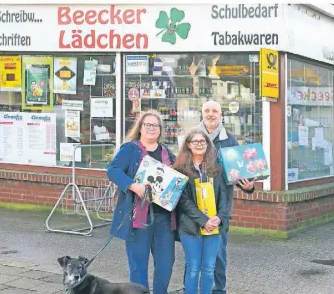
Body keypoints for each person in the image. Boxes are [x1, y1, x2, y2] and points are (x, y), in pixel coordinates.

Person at [107, 109, 176, 294]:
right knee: (138, 268)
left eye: (155, 125)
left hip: (164, 220)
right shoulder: (130, 149)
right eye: (148, 125)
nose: (151, 128)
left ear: (160, 130)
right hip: (138, 220)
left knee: (165, 266)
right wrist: (133, 186)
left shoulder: (167, 153)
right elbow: (112, 171)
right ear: (140, 128)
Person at [199, 100, 255, 294]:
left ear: (221, 114)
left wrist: (249, 187)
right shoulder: (192, 137)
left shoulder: (229, 139)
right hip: (196, 206)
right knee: (194, 253)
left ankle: (218, 289)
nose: (210, 114)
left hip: (220, 206)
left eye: (214, 111)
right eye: (207, 110)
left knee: (218, 253)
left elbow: (238, 172)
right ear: (202, 113)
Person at [173, 129, 228, 294]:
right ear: (188, 145)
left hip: (214, 227)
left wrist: (218, 218)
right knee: (193, 268)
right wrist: (204, 220)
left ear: (207, 145)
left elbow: (223, 197)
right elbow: (183, 201)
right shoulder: (180, 169)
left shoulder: (215, 169)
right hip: (190, 227)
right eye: (195, 141)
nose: (199, 144)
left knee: (209, 268)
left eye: (202, 141)